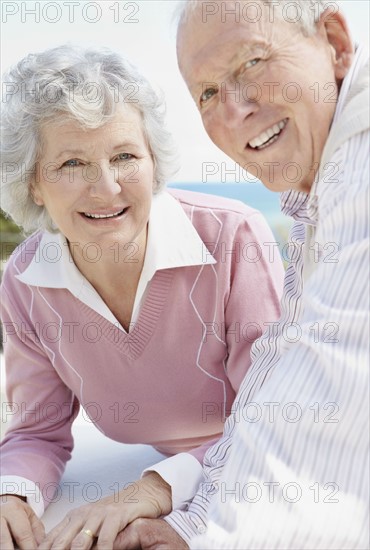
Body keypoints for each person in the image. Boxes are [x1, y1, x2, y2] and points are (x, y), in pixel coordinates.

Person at [0, 44, 284, 549]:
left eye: (125, 156)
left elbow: (276, 423)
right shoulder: (26, 282)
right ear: (34, 185)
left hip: (270, 485)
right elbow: (37, 431)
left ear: (153, 161)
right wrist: (13, 497)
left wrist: (154, 488)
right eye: (71, 163)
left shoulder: (234, 237)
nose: (106, 188)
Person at [112, 0, 369, 548]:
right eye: (206, 93)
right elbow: (276, 387)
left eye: (252, 62)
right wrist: (194, 521)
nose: (233, 110)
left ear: (336, 44)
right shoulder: (318, 197)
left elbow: (335, 396)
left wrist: (209, 538)